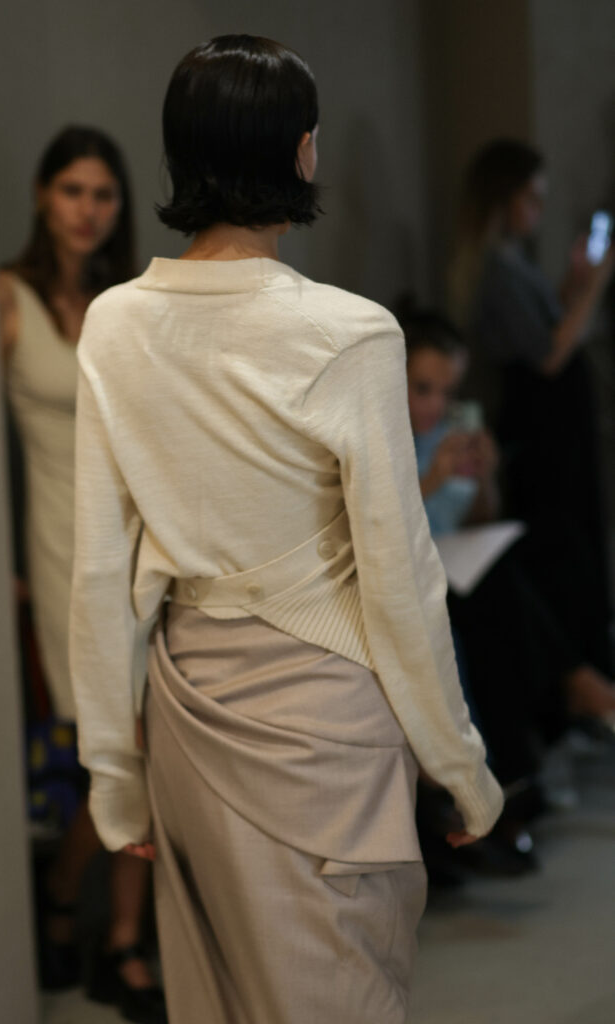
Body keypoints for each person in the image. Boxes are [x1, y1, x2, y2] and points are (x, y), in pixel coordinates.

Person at [69, 36, 503, 1024]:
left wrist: (113, 773)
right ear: (302, 151)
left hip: (188, 712)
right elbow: (399, 579)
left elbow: (100, 571)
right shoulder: (350, 333)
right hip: (325, 725)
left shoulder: (114, 323)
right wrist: (459, 764)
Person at [0, 126, 166, 1024]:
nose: (87, 209)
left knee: (145, 745)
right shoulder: (6, 296)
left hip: (137, 546)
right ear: (41, 195)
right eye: (71, 190)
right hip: (59, 551)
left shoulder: (126, 301)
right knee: (112, 750)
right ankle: (65, 896)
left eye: (102, 194)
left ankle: (119, 939)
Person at [402, 307, 615, 812]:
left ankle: (579, 689)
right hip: (416, 572)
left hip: (458, 560)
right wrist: (433, 478)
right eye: (423, 388)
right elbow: (382, 523)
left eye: (448, 392)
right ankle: (580, 688)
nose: (436, 404)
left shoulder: (446, 433)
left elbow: (481, 518)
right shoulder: (383, 438)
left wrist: (485, 476)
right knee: (504, 587)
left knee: (552, 543)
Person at [448, 138, 614, 677]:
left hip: (556, 421)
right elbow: (550, 353)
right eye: (532, 199)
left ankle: (587, 670)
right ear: (504, 199)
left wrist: (575, 284)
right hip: (542, 427)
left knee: (575, 539)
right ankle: (578, 677)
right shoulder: (495, 269)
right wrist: (600, 280)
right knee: (560, 545)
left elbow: (550, 326)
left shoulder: (513, 261)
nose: (539, 210)